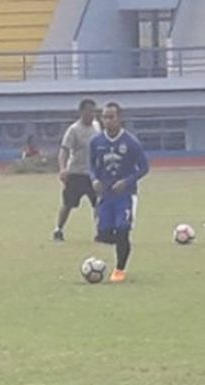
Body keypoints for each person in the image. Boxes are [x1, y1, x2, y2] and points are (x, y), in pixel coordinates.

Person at [90, 102, 149, 283]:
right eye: (104, 117)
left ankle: (119, 269)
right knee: (103, 234)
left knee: (122, 229)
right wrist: (94, 179)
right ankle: (122, 247)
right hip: (106, 196)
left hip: (125, 195)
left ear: (119, 118)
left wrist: (127, 181)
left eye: (111, 117)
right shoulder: (96, 142)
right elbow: (91, 165)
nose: (108, 120)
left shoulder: (131, 142)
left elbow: (144, 168)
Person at [52, 98, 100, 241]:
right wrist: (63, 169)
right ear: (82, 112)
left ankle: (100, 232)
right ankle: (58, 229)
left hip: (93, 174)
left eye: (94, 111)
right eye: (89, 111)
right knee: (68, 204)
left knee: (98, 204)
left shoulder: (97, 127)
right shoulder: (74, 130)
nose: (92, 114)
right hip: (76, 173)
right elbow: (64, 150)